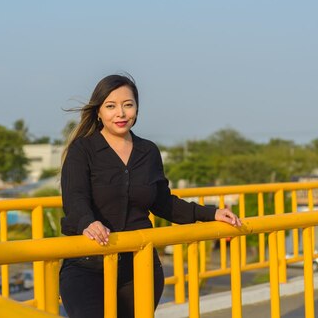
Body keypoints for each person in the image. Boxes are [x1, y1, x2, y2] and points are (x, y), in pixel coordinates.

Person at [59, 74, 242, 318]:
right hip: (87, 265)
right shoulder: (83, 150)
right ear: (99, 112)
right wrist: (87, 222)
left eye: (128, 104)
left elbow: (163, 202)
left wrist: (212, 213)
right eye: (111, 106)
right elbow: (74, 197)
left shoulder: (148, 151)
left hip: (138, 264)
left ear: (137, 108)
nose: (121, 113)